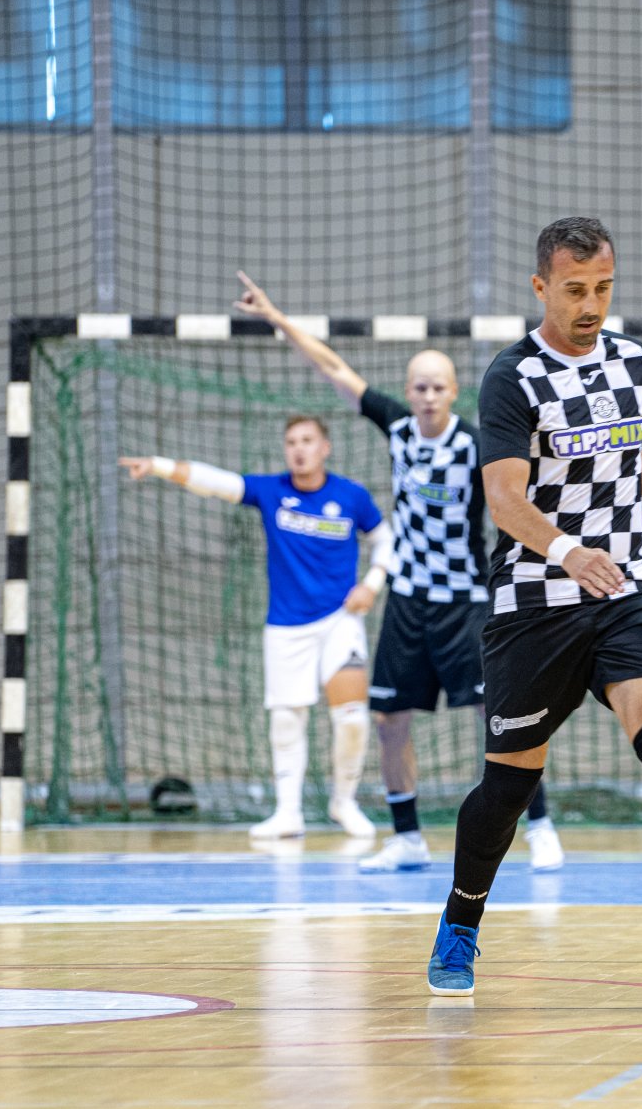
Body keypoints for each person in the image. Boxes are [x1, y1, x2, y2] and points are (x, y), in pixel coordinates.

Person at [424, 216, 642, 996]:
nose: (591, 303)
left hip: (624, 592)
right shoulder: (514, 377)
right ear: (541, 288)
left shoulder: (635, 363)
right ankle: (460, 924)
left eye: (602, 287)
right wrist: (569, 552)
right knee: (507, 788)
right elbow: (503, 499)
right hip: (534, 604)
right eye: (574, 290)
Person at [231, 273, 564, 874]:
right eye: (419, 386)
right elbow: (335, 368)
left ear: (455, 391)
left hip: (464, 599)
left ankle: (539, 825)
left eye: (438, 386)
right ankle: (407, 836)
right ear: (408, 393)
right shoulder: (398, 428)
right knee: (388, 720)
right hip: (409, 599)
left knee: (502, 717)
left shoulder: (479, 443)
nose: (428, 395)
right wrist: (279, 320)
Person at [120, 416, 395, 841]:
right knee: (287, 719)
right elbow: (216, 482)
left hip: (340, 620)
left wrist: (372, 584)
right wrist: (158, 464)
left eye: (307, 440)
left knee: (353, 718)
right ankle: (288, 813)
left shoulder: (352, 496)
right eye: (291, 442)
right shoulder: (272, 491)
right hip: (286, 626)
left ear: (326, 447)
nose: (299, 449)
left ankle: (344, 802)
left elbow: (385, 538)